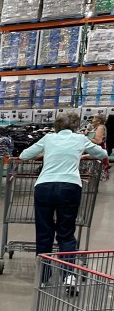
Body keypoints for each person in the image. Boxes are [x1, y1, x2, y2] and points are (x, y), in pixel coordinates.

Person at [20, 111, 108, 284]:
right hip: (70, 187)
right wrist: (83, 155)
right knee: (66, 234)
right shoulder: (80, 139)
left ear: (57, 125)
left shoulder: (48, 138)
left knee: (44, 233)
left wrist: (46, 155)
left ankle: (44, 277)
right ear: (75, 126)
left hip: (44, 187)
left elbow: (24, 155)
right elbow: (102, 154)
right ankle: (68, 276)